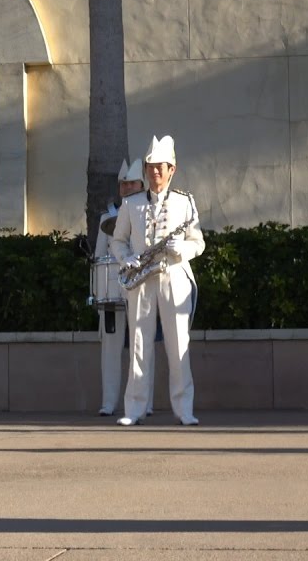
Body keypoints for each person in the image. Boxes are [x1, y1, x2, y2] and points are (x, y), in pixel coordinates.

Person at [110, 135, 205, 426]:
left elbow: (198, 242)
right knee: (139, 344)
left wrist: (184, 250)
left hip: (174, 277)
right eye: (150, 167)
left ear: (172, 169)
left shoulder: (184, 202)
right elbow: (118, 241)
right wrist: (125, 259)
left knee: (178, 345)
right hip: (141, 280)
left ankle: (184, 410)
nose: (154, 172)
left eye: (160, 167)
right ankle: (134, 410)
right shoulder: (131, 204)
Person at [93, 159, 154, 417]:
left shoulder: (151, 212)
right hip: (113, 289)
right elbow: (98, 257)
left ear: (142, 185)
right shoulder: (108, 217)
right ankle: (109, 403)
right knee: (110, 349)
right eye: (124, 184)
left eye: (133, 183)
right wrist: (98, 294)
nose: (128, 188)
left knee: (143, 346)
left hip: (142, 287)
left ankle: (145, 403)